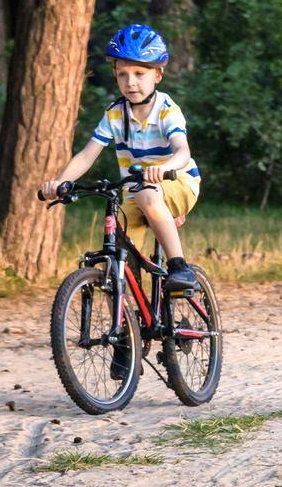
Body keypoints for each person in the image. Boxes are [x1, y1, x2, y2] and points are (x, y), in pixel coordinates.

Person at [41, 23, 203, 313]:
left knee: (146, 194)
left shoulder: (167, 109)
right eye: (122, 75)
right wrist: (60, 182)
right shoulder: (115, 113)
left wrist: (163, 168)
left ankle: (180, 267)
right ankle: (131, 328)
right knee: (118, 246)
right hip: (137, 192)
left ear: (158, 74)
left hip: (178, 184)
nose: (131, 82)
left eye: (140, 74)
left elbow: (182, 152)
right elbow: (87, 155)